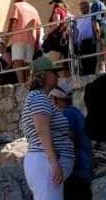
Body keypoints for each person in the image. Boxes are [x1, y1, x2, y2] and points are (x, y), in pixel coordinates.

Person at [20, 56, 75, 200]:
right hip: (45, 162)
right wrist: (55, 163)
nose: (58, 75)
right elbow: (42, 131)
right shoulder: (39, 98)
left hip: (45, 162)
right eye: (54, 72)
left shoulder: (40, 97)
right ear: (44, 75)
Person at [49, 80, 91, 200]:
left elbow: (67, 141)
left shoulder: (67, 115)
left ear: (55, 99)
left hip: (73, 175)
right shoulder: (77, 113)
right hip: (83, 172)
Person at [6, 0, 43, 83]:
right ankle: (28, 82)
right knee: (28, 64)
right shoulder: (34, 9)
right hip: (31, 40)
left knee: (18, 63)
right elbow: (39, 28)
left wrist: (7, 36)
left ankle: (22, 84)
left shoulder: (16, 5)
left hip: (18, 37)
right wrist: (37, 42)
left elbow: (13, 21)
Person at [73, 1, 101, 75]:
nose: (83, 9)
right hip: (82, 42)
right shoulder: (78, 19)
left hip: (91, 40)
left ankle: (92, 74)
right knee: (84, 60)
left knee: (92, 59)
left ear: (88, 7)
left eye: (85, 7)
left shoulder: (92, 16)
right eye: (82, 8)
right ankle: (86, 75)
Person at [42, 0, 72, 64]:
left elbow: (56, 23)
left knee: (50, 64)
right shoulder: (65, 12)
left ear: (54, 3)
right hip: (63, 40)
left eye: (51, 4)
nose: (51, 6)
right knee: (59, 67)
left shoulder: (57, 9)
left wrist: (47, 33)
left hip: (55, 40)